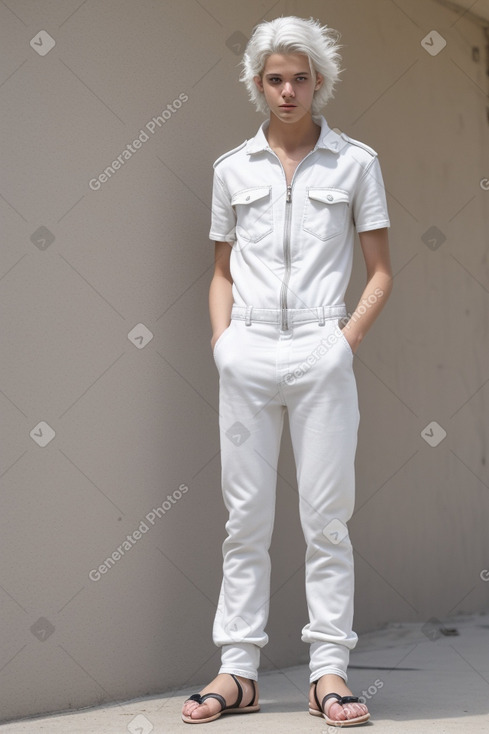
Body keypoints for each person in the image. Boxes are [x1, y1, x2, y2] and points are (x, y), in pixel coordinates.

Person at [182, 15, 392, 726]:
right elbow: (217, 272)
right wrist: (222, 343)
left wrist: (343, 340)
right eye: (275, 78)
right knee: (244, 521)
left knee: (325, 521)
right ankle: (236, 672)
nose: (288, 90)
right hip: (246, 354)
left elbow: (381, 271)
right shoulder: (230, 169)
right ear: (256, 84)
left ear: (319, 82)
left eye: (300, 77)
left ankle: (327, 673)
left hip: (318, 353)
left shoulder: (356, 162)